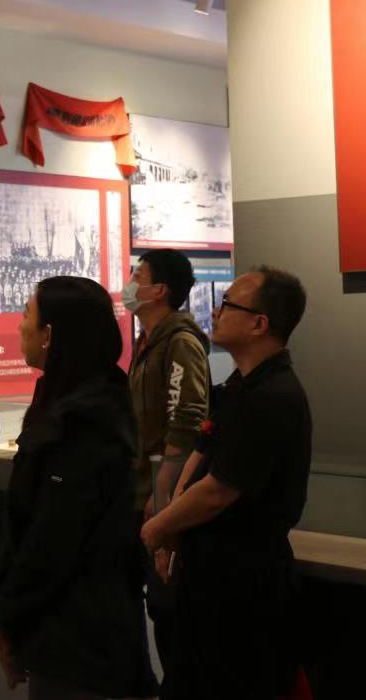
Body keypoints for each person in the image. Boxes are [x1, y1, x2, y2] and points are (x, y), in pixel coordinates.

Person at [0, 276, 158, 700]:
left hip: (81, 630)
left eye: (26, 315)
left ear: (49, 334)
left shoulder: (89, 417)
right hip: (59, 620)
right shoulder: (64, 397)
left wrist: (9, 615)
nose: (19, 325)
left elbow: (55, 535)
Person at [141, 267, 311, 700]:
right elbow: (202, 451)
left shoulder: (274, 396)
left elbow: (219, 489)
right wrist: (172, 525)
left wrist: (158, 527)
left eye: (228, 304)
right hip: (206, 578)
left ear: (259, 323)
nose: (216, 312)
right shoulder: (238, 387)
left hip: (244, 588)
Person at [124, 249, 210, 695]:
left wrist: (162, 502)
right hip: (145, 492)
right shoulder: (148, 342)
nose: (129, 282)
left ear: (159, 290)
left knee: (170, 608)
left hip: (165, 498)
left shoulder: (179, 342)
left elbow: (185, 423)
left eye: (137, 275)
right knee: (157, 608)